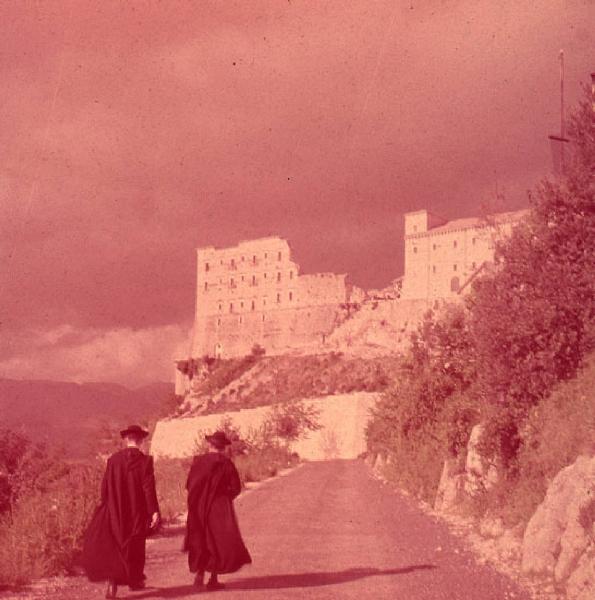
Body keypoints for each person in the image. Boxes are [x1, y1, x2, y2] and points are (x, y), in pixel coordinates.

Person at [82, 425, 160, 599]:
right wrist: (153, 511)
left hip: (116, 510)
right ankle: (135, 581)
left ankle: (113, 581)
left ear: (126, 440)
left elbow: (105, 488)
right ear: (140, 440)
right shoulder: (145, 461)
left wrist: (107, 506)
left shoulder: (113, 460)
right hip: (137, 511)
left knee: (117, 544)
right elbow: (148, 489)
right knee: (136, 545)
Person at [184, 430, 252, 591]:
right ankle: (213, 579)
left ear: (209, 445)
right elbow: (235, 488)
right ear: (222, 447)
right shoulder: (226, 463)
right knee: (217, 541)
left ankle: (199, 573)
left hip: (198, 506)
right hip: (219, 508)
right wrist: (224, 497)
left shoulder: (198, 462)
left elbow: (189, 485)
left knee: (200, 537)